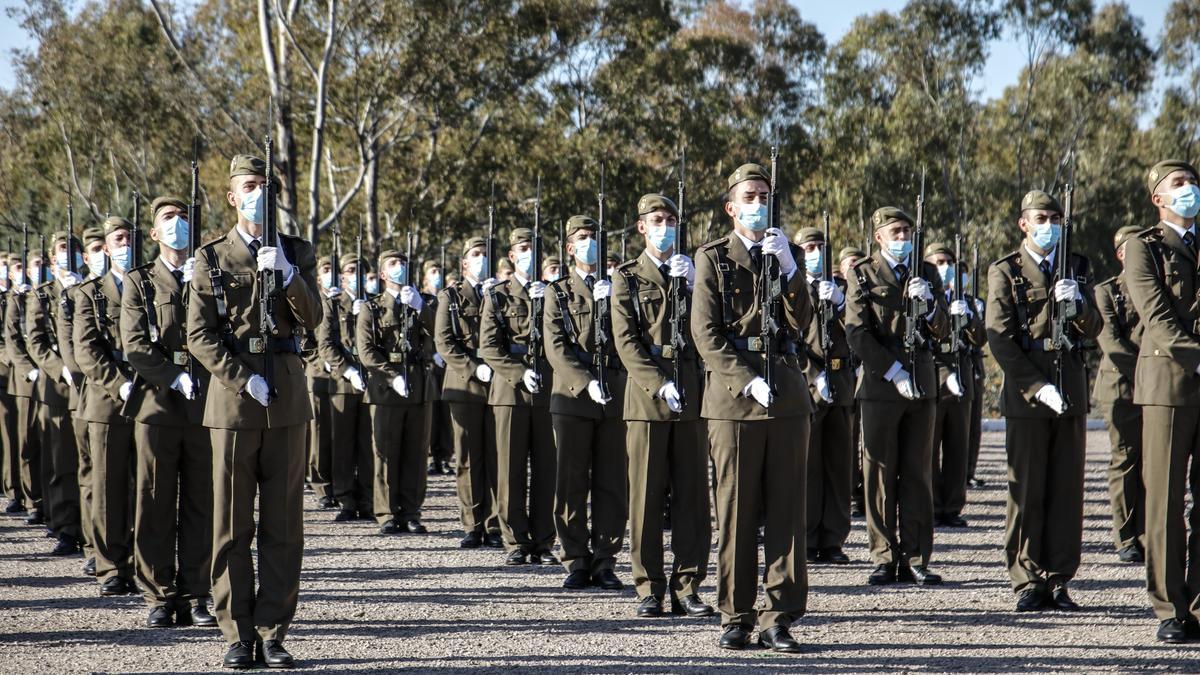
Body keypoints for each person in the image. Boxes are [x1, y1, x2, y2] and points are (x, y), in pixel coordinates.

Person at [187, 154, 322, 668]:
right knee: (232, 524)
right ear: (231, 195)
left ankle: (273, 630)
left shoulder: (296, 251)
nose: (258, 193)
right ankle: (237, 633)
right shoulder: (211, 257)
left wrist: (288, 274)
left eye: (265, 185)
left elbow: (315, 318)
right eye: (249, 185)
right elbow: (199, 334)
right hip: (235, 403)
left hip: (287, 399)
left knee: (284, 525)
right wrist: (244, 378)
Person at [691, 164, 811, 652]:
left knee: (786, 510)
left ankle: (779, 615)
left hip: (786, 396)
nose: (757, 202)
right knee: (736, 509)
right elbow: (705, 332)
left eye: (764, 194)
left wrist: (789, 270)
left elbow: (804, 323)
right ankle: (736, 616)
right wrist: (746, 381)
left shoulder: (787, 253)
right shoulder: (713, 258)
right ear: (731, 206)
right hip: (733, 400)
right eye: (749, 195)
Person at [986, 189, 1101, 613]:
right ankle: (1026, 578)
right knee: (1027, 489)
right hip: (1028, 395)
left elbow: (1094, 328)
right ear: (1024, 223)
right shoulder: (1006, 271)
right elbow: (1000, 340)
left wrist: (1082, 305)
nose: (1049, 223)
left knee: (1066, 490)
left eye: (1055, 217)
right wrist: (1037, 386)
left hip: (1070, 386)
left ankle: (1058, 577)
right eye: (1041, 217)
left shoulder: (1077, 266)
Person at [611, 194, 713, 618]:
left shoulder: (693, 273)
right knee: (647, 500)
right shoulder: (627, 277)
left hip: (690, 396)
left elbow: (710, 327)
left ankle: (687, 586)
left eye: (671, 220)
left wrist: (693, 284)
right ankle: (648, 587)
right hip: (648, 401)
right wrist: (659, 383)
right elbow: (627, 341)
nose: (665, 226)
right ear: (641, 227)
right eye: (657, 219)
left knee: (692, 500)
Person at [120, 196, 216, 628]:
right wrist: (171, 376)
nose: (177, 224)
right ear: (154, 233)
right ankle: (159, 594)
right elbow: (135, 345)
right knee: (155, 501)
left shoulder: (209, 275)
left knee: (201, 501)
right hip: (158, 405)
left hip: (203, 404)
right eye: (168, 219)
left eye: (183, 217)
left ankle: (197, 592)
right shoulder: (140, 282)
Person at [845, 206, 950, 588]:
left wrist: (932, 306)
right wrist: (892, 371)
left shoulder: (928, 272)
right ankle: (884, 557)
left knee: (919, 473)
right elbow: (857, 333)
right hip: (880, 385)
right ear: (879, 237)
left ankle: (917, 557)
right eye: (895, 231)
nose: (903, 237)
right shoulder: (862, 274)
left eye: (907, 230)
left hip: (922, 383)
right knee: (879, 473)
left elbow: (942, 331)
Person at [1122, 160, 1200, 642]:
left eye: (1194, 183)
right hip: (1169, 385)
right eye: (1180, 184)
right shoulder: (1142, 247)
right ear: (1158, 198)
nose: (1190, 189)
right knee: (1166, 500)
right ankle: (1172, 607)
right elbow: (1156, 315)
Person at [544, 215, 628, 591]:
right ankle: (576, 559)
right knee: (571, 481)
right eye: (582, 238)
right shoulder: (557, 292)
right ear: (569, 247)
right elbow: (557, 348)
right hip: (574, 398)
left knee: (612, 482)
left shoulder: (619, 288)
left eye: (594, 237)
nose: (589, 243)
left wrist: (610, 303)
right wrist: (584, 382)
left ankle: (606, 560)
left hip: (615, 395)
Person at [478, 227, 558, 566]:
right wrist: (517, 372)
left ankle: (543, 540)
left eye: (535, 248)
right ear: (512, 256)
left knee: (546, 469)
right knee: (510, 469)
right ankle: (515, 539)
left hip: (547, 390)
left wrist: (547, 300)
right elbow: (489, 347)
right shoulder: (497, 295)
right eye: (523, 248)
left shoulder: (555, 293)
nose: (530, 254)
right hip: (510, 392)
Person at [74, 217, 139, 597]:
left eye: (129, 238)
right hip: (106, 401)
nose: (124, 244)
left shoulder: (146, 285)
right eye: (118, 239)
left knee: (147, 486)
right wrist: (120, 383)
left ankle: (144, 563)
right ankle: (111, 566)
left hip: (148, 397)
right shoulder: (90, 293)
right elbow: (87, 351)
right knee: (108, 486)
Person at [357, 247, 433, 536]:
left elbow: (438, 336)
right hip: (385, 389)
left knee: (416, 452)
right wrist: (390, 376)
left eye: (403, 262)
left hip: (418, 386)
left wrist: (421, 310)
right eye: (393, 263)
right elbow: (366, 351)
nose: (399, 266)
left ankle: (411, 511)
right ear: (382, 273)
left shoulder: (421, 302)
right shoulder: (372, 307)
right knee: (386, 453)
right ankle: (387, 512)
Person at [435, 237, 501, 547]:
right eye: (476, 255)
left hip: (499, 383)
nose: (481, 259)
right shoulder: (451, 296)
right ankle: (473, 523)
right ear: (464, 263)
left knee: (498, 455)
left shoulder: (500, 293)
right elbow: (444, 342)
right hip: (464, 385)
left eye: (486, 255)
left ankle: (498, 522)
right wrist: (474, 367)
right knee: (469, 458)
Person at [796, 227, 853, 564]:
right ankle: (804, 537)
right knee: (808, 467)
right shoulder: (792, 289)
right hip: (808, 385)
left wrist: (842, 303)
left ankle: (832, 539)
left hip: (842, 383)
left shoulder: (842, 289)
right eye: (809, 247)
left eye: (820, 246)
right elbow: (792, 340)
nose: (815, 252)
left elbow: (859, 331)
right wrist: (815, 376)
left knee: (838, 467)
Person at [25, 230, 84, 557]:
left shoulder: (89, 289)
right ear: (52, 257)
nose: (69, 254)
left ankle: (91, 530)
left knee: (89, 461)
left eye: (73, 249)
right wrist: (60, 367)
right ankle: (65, 527)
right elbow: (36, 340)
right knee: (62, 460)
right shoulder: (45, 295)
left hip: (87, 384)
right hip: (57, 386)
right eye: (63, 249)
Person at [923, 241, 985, 529]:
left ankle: (952, 506)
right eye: (938, 263)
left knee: (958, 448)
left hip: (962, 380)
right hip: (934, 380)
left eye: (948, 262)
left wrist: (969, 318)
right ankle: (932, 504)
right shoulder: (926, 297)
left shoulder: (967, 301)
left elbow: (980, 339)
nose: (944, 268)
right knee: (929, 448)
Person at [1093, 225, 1144, 564]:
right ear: (1120, 255)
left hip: (1157, 386)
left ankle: (1148, 534)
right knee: (1126, 460)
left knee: (1154, 464)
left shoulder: (1159, 289)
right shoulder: (1106, 291)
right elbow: (1111, 342)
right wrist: (1152, 373)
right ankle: (1126, 536)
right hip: (1121, 387)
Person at [318, 253, 373, 523]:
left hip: (373, 383)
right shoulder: (333, 304)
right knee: (342, 446)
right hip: (342, 382)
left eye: (361, 270)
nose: (356, 275)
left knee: (369, 445)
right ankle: (346, 499)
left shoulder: (375, 304)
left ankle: (369, 499)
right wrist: (347, 369)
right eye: (351, 270)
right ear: (342, 276)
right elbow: (326, 344)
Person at [5, 249, 44, 528]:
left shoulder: (46, 295)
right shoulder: (16, 301)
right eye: (28, 265)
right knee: (24, 441)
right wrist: (27, 367)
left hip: (52, 379)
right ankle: (27, 496)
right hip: (24, 379)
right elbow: (12, 339)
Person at [306, 256, 337, 510]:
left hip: (343, 377)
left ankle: (341, 483)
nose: (332, 274)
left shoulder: (346, 302)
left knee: (341, 434)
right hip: (318, 374)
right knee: (319, 434)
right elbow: (304, 340)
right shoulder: (313, 301)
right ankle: (321, 485)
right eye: (327, 270)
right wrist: (319, 360)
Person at [839, 245, 867, 519]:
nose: (854, 268)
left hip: (863, 374)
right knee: (847, 442)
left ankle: (862, 496)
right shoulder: (833, 291)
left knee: (864, 444)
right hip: (841, 379)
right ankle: (849, 493)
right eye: (849, 264)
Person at [421, 259, 452, 476]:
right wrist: (431, 353)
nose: (437, 275)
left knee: (446, 414)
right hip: (430, 364)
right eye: (433, 271)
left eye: (440, 271)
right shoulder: (421, 301)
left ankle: (446, 456)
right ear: (425, 278)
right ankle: (432, 456)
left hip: (447, 364)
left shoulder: (449, 300)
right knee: (432, 415)